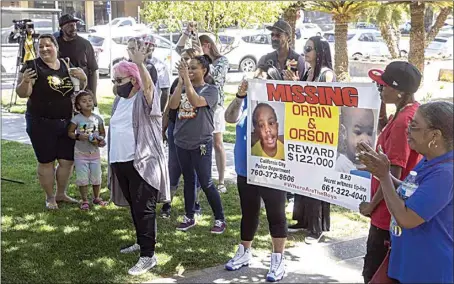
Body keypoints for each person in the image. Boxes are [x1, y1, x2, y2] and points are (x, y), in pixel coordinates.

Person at [357, 101, 453, 284]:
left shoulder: (445, 173)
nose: (408, 129)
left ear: (435, 135)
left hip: (428, 269)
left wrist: (384, 176)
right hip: (410, 262)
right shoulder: (430, 160)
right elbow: (414, 193)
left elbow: (407, 218)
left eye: (415, 126)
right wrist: (380, 170)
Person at [108, 47, 170, 275]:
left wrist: (140, 63)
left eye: (120, 79)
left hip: (142, 163)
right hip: (121, 161)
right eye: (114, 80)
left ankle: (148, 256)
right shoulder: (118, 101)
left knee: (145, 208)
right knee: (135, 206)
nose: (116, 84)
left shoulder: (145, 101)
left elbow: (149, 90)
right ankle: (141, 242)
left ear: (133, 79)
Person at [359, 61, 423, 284]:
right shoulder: (409, 113)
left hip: (386, 216)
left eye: (384, 86)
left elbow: (391, 173)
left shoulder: (403, 122)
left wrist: (371, 206)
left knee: (374, 274)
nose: (380, 89)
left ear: (398, 91)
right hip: (393, 213)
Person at [224, 79, 287, 282]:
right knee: (249, 213)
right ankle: (244, 252)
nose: (265, 129)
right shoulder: (245, 103)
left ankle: (278, 259)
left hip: (273, 171)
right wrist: (239, 96)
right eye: (260, 125)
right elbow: (229, 117)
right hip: (246, 172)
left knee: (276, 215)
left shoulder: (277, 103)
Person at [16, 34, 87, 209]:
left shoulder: (65, 64)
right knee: (46, 161)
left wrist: (83, 78)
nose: (44, 49)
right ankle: (49, 198)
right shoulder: (31, 65)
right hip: (41, 122)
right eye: (40, 47)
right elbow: (22, 93)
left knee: (66, 161)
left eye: (48, 45)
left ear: (56, 47)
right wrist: (25, 81)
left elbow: (77, 90)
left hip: (66, 121)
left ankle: (61, 194)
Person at [169, 55, 226, 233]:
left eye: (194, 68)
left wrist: (186, 81)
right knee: (188, 180)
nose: (191, 71)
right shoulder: (183, 86)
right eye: (188, 68)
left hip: (201, 142)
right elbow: (172, 105)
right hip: (181, 142)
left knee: (206, 181)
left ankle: (219, 219)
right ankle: (189, 216)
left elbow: (196, 102)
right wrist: (180, 84)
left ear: (204, 70)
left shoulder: (211, 90)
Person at [287, 36, 335, 243]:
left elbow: (324, 105)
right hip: (304, 134)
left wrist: (300, 88)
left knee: (315, 182)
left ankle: (317, 228)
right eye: (304, 48)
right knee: (301, 180)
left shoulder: (326, 75)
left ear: (320, 51)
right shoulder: (308, 72)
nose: (305, 52)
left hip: (319, 136)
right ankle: (302, 220)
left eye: (309, 48)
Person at [176, 23, 230, 193]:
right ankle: (197, 181)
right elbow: (179, 48)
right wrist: (188, 32)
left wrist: (201, 59)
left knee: (217, 142)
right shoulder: (195, 62)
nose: (196, 49)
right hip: (196, 102)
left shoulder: (221, 61)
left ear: (207, 45)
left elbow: (212, 76)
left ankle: (221, 180)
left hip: (214, 103)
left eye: (199, 44)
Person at [160, 48, 201, 218]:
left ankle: (195, 203)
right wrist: (163, 128)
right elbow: (170, 107)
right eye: (182, 60)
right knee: (173, 167)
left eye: (187, 61)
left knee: (195, 170)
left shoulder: (204, 84)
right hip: (176, 131)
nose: (183, 64)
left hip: (194, 134)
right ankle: (167, 202)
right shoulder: (177, 83)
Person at [68, 90, 108, 210]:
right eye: (84, 101)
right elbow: (70, 133)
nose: (88, 103)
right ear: (78, 105)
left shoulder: (98, 118)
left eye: (90, 100)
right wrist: (78, 136)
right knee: (82, 178)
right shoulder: (77, 119)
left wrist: (100, 140)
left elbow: (102, 132)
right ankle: (84, 200)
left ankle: (97, 197)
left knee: (97, 177)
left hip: (94, 154)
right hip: (80, 154)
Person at [55, 14, 99, 107]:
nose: (74, 28)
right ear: (62, 27)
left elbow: (93, 70)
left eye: (75, 25)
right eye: (70, 25)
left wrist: (94, 95)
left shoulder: (85, 44)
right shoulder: (55, 44)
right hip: (61, 93)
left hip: (82, 93)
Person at [336, 107, 375, 175]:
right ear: (343, 133)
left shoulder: (371, 165)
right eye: (358, 132)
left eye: (369, 133)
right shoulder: (340, 166)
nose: (365, 140)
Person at [142, 35, 172, 113]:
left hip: (152, 106)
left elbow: (165, 91)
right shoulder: (134, 63)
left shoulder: (160, 65)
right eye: (145, 44)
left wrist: (160, 111)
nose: (147, 47)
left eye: (150, 45)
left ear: (154, 47)